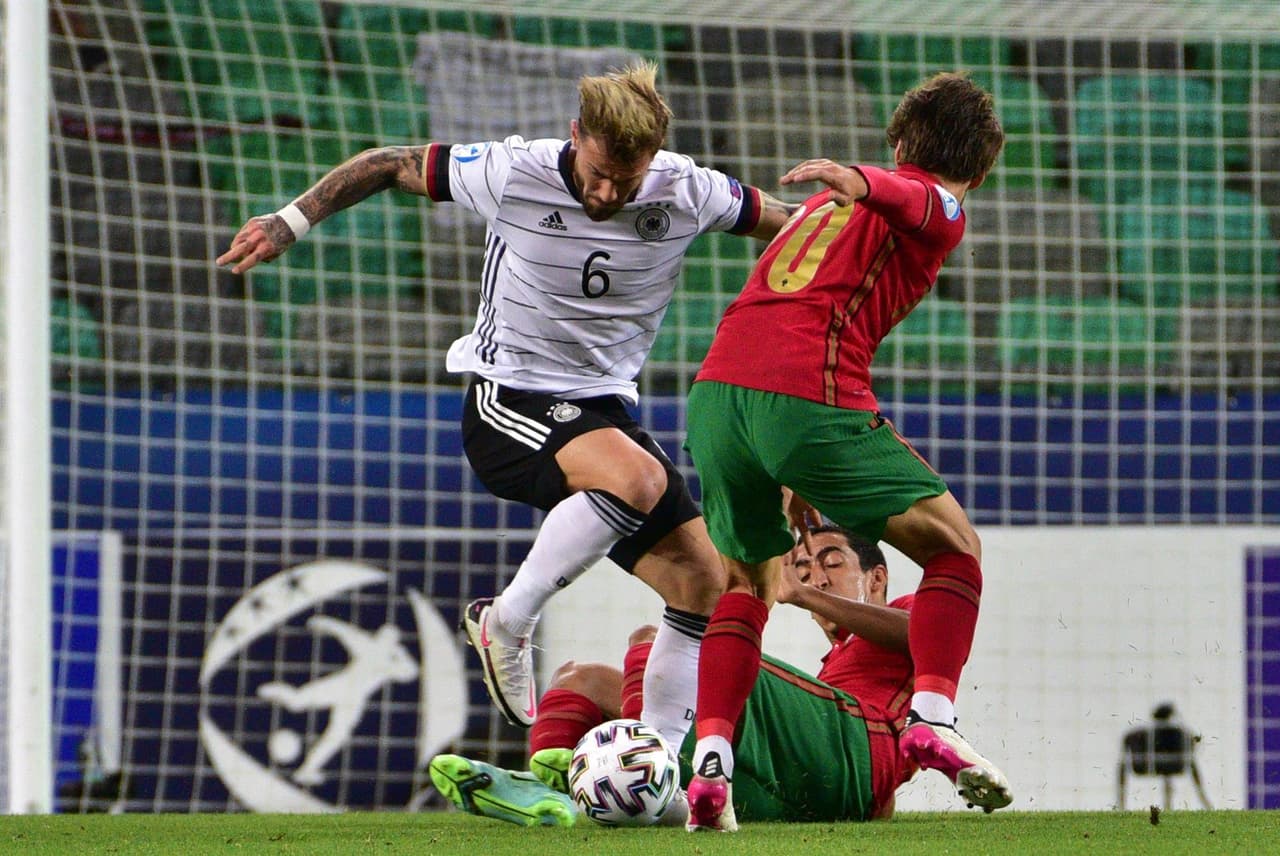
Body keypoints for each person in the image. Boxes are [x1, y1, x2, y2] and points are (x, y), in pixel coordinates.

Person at [215, 62, 795, 754]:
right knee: (640, 480)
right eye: (599, 173)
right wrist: (291, 221)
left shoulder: (688, 190)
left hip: (603, 414)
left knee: (703, 578)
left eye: (627, 180)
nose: (608, 194)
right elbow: (385, 163)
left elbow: (790, 226)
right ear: (576, 135)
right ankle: (507, 622)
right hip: (507, 400)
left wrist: (867, 222)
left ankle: (660, 763)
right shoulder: (511, 170)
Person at [680, 72, 1012, 830]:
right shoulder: (932, 203)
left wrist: (855, 181)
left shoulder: (825, 213)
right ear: (981, 170)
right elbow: (925, 199)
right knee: (956, 550)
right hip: (808, 394)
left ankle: (711, 769)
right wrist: (861, 178)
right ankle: (933, 718)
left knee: (744, 586)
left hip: (717, 395)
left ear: (899, 137)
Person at [429, 525, 928, 826]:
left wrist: (802, 594)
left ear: (877, 578)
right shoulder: (831, 670)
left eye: (831, 563)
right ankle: (560, 790)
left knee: (674, 646)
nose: (813, 575)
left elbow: (925, 635)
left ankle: (634, 757)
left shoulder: (907, 616)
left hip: (855, 746)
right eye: (799, 567)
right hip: (803, 798)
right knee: (578, 680)